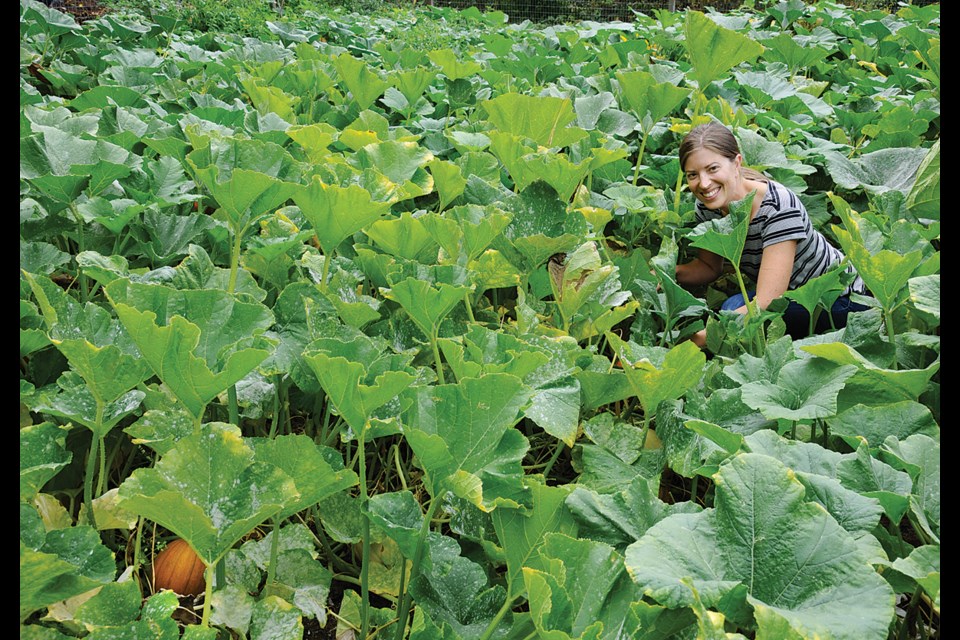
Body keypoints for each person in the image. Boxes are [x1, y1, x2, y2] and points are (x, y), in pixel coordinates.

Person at [674, 122, 866, 347]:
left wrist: (688, 344)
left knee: (731, 312)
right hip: (789, 295)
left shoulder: (778, 207)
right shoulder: (708, 206)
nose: (704, 183)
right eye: (693, 175)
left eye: (713, 169)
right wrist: (665, 273)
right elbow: (708, 267)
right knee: (734, 311)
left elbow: (767, 301)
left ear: (736, 163)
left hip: (840, 301)